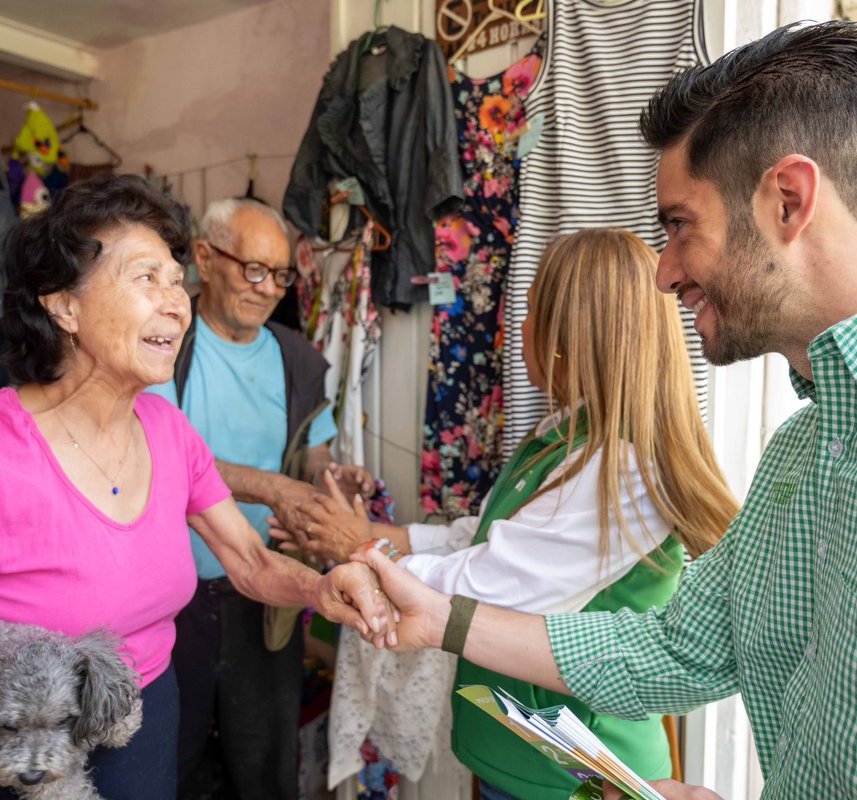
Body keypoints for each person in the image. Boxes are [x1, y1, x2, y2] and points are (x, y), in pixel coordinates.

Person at [356, 20, 857, 800]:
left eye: (680, 226)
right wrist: (441, 619)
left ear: (789, 199)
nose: (663, 273)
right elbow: (680, 649)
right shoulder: (803, 450)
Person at [0, 174, 394, 800]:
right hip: (8, 749)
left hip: (143, 717)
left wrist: (321, 586)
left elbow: (251, 562)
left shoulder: (167, 430)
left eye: (178, 280)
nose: (177, 302)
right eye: (146, 277)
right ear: (62, 304)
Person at [275, 229, 738, 800]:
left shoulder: (624, 470)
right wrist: (372, 535)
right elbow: (488, 536)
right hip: (515, 750)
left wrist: (370, 554)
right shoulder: (561, 435)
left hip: (576, 777)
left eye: (529, 315)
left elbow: (494, 586)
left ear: (566, 337)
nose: (517, 331)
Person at [144, 197, 371, 800]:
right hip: (170, 597)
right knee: (169, 758)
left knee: (265, 762)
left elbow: (313, 455)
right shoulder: (163, 344)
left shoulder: (299, 361)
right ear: (203, 258)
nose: (269, 288)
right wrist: (277, 487)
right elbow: (160, 457)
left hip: (264, 594)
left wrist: (332, 482)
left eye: (281, 275)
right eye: (253, 270)